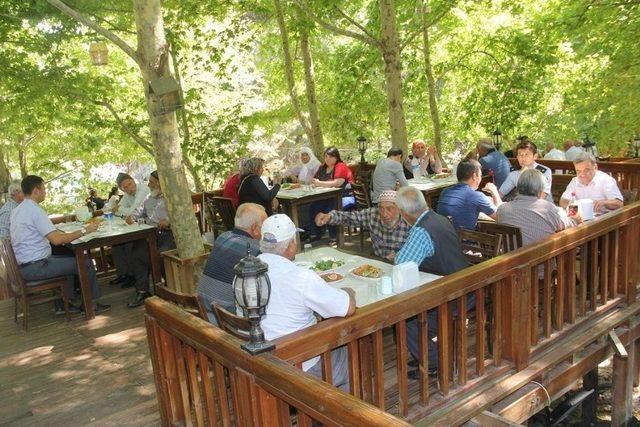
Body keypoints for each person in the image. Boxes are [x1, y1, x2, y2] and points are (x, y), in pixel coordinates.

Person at [258, 214, 356, 391]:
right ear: (290, 245)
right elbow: (347, 308)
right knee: (350, 349)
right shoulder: (300, 278)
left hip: (260, 359)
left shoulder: (244, 271)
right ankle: (340, 414)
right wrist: (349, 291)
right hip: (298, 363)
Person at [394, 186, 469, 377]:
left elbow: (401, 264)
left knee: (408, 317)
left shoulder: (421, 231)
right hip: (463, 283)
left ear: (403, 213)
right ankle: (424, 353)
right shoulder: (439, 218)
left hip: (451, 296)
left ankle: (433, 362)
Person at [9, 175, 110, 314]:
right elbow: (56, 240)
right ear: (36, 191)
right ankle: (90, 305)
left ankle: (63, 304)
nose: (45, 192)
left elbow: (44, 232)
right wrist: (85, 230)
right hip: (36, 267)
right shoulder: (35, 211)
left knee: (68, 260)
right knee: (85, 263)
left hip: (26, 265)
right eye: (44, 188)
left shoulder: (18, 210)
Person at [198, 203, 267, 323]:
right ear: (255, 228)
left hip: (202, 306)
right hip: (224, 315)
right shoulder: (254, 250)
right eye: (265, 226)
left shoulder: (222, 237)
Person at [125, 171, 177, 308]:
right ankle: (143, 291)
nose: (149, 185)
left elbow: (179, 215)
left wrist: (168, 221)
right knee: (137, 254)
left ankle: (169, 289)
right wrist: (132, 217)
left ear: (160, 183)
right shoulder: (148, 198)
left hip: (168, 233)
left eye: (152, 182)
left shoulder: (172, 197)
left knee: (162, 255)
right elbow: (137, 212)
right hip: (150, 234)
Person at [314, 190, 410, 260]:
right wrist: (329, 216)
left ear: (399, 208)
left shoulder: (409, 221)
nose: (384, 214)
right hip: (378, 259)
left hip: (403, 264)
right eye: (381, 208)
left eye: (390, 209)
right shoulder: (373, 214)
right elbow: (349, 217)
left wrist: (401, 256)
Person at [497, 169, 582, 246]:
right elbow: (569, 225)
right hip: (542, 262)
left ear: (518, 188)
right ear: (540, 190)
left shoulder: (502, 209)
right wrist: (575, 219)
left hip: (511, 261)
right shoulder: (547, 209)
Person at [110, 172, 150, 288]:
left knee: (129, 244)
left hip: (148, 226)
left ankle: (133, 276)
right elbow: (115, 211)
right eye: (125, 187)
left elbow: (132, 211)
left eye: (130, 184)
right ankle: (125, 275)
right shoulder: (127, 195)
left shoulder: (143, 190)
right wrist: (123, 211)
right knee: (116, 245)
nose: (129, 188)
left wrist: (120, 209)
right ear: (122, 189)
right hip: (136, 226)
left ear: (133, 181)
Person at [436, 159, 502, 231]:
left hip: (443, 239)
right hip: (464, 240)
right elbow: (502, 217)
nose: (480, 179)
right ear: (474, 176)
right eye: (480, 175)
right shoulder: (477, 196)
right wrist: (494, 191)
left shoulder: (445, 192)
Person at [308, 147, 355, 243]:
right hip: (329, 197)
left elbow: (338, 183)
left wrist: (319, 183)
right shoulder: (322, 168)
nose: (328, 159)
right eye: (326, 156)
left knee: (329, 210)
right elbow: (314, 180)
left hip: (345, 196)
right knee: (313, 207)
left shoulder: (340, 166)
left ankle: (334, 237)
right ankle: (315, 234)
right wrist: (315, 183)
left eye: (331, 156)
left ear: (336, 157)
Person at [559, 152, 623, 212]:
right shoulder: (575, 181)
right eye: (578, 171)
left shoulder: (606, 180)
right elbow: (563, 201)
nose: (582, 174)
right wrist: (578, 210)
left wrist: (604, 203)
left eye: (586, 170)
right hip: (580, 219)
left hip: (603, 220)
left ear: (595, 167)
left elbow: (619, 203)